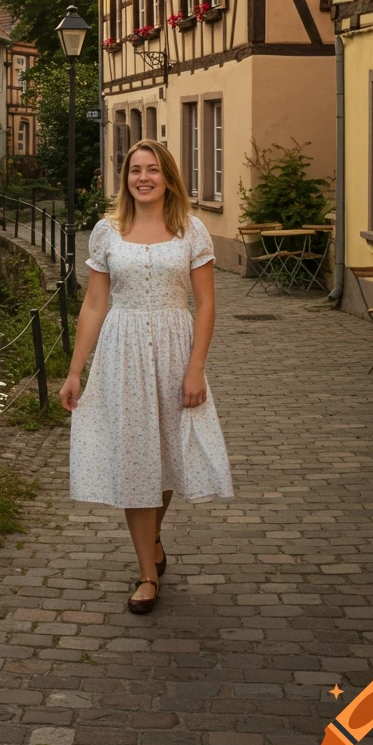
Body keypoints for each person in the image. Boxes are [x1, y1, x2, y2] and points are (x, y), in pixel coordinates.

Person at [60, 139, 233, 615]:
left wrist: (196, 367)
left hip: (177, 350)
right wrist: (76, 371)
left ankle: (153, 539)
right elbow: (95, 304)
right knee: (136, 457)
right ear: (126, 178)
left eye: (152, 169)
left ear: (167, 176)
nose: (143, 177)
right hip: (123, 352)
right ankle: (146, 573)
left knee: (169, 456)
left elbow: (207, 304)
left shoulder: (191, 230)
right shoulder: (107, 231)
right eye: (135, 169)